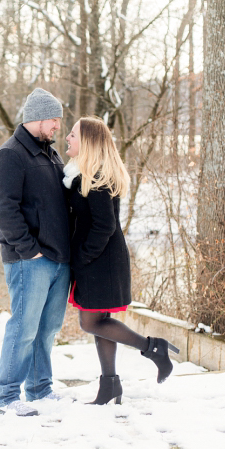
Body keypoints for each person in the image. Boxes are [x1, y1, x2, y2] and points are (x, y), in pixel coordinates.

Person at [63, 117, 179, 405]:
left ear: (87, 142)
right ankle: (110, 386)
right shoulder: (84, 174)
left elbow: (105, 226)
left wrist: (82, 256)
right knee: (99, 322)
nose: (67, 137)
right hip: (97, 261)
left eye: (73, 134)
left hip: (100, 262)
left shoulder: (98, 178)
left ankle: (154, 348)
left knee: (91, 323)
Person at [0, 88, 71, 417]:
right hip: (31, 260)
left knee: (48, 329)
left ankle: (39, 389)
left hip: (59, 260)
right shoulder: (11, 155)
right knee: (23, 328)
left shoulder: (50, 154)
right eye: (53, 120)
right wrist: (29, 250)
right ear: (36, 118)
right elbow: (5, 209)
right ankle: (7, 397)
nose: (57, 127)